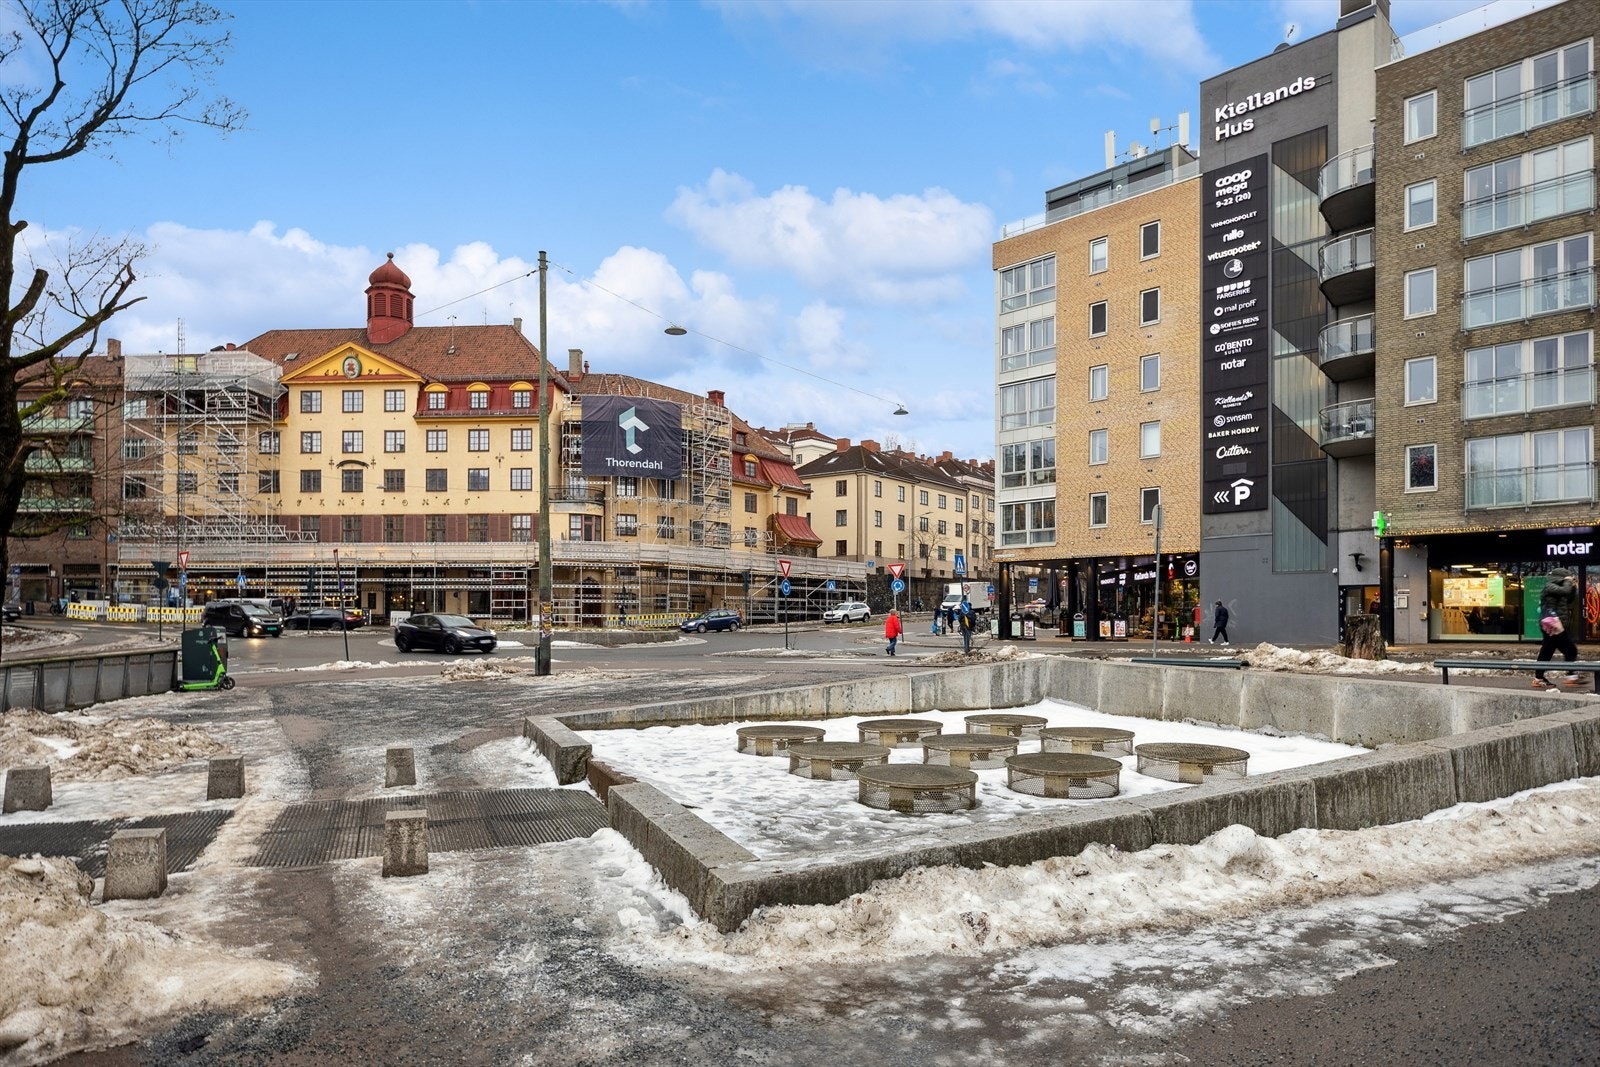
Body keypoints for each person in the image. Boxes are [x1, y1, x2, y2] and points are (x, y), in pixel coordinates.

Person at [1534, 568, 1581, 689]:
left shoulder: (1558, 588)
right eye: (1567, 577)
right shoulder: (1550, 586)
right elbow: (1565, 591)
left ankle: (1539, 678)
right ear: (1560, 577)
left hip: (1555, 624)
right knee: (1570, 650)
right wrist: (1568, 582)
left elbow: (1569, 598)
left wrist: (1573, 587)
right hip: (1552, 625)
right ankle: (1571, 677)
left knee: (1548, 651)